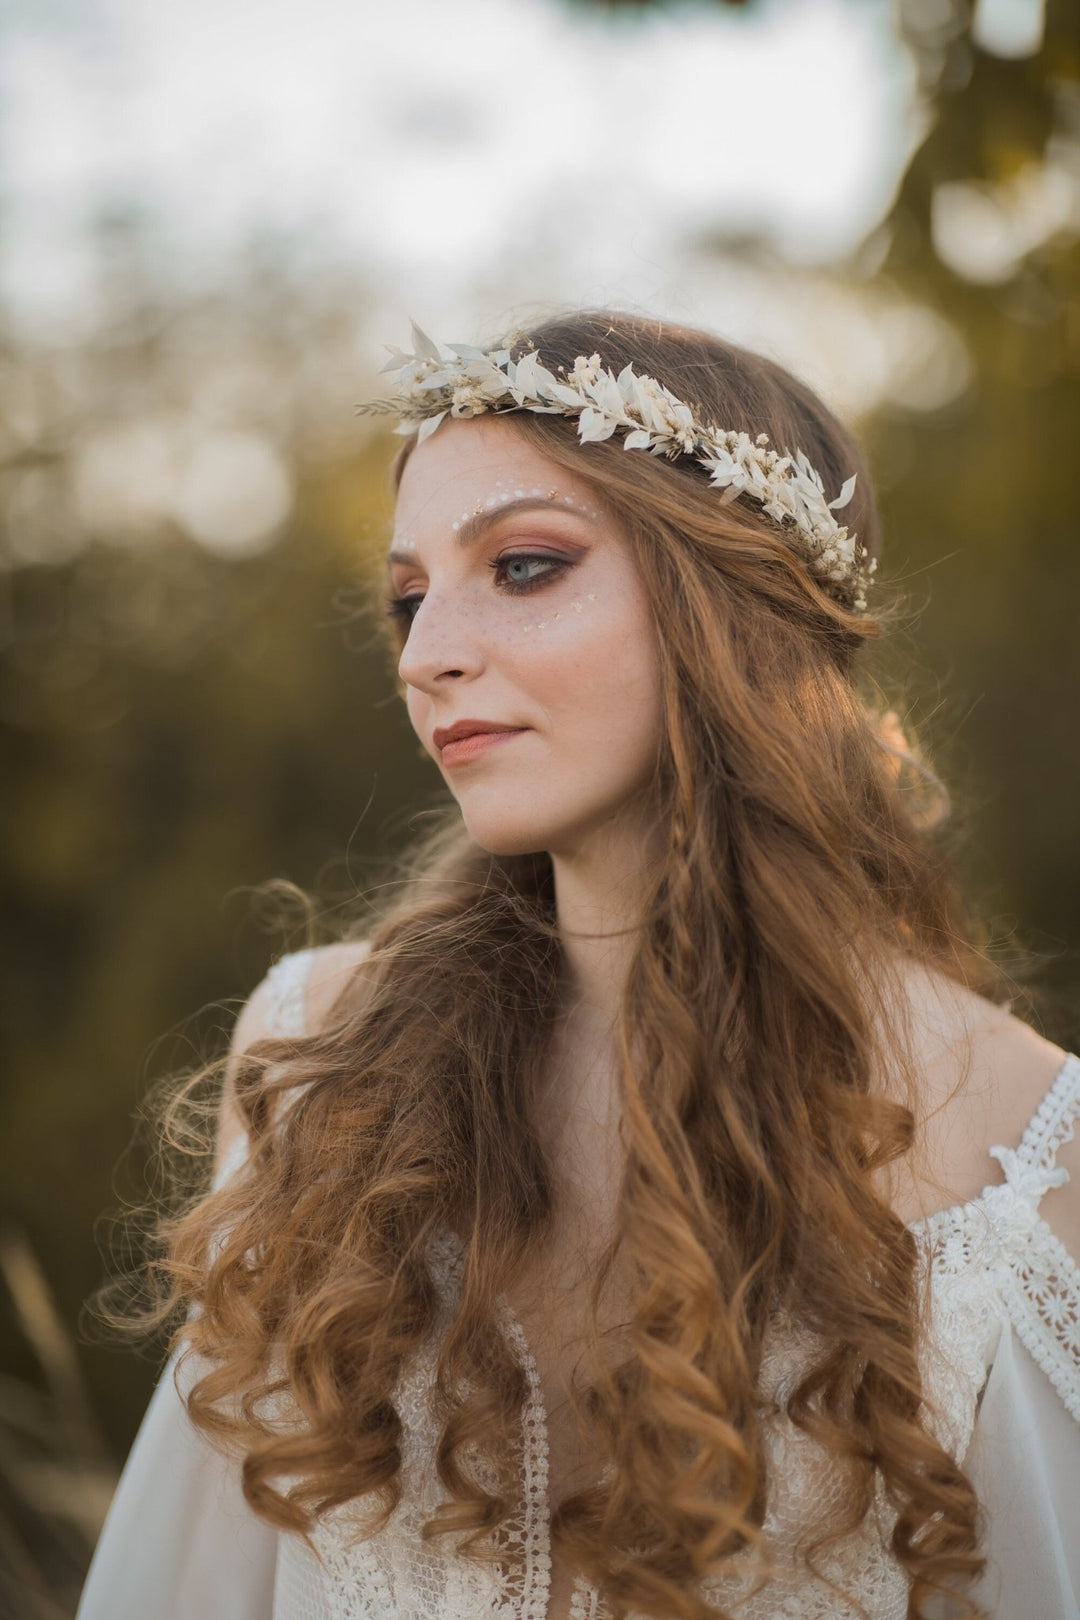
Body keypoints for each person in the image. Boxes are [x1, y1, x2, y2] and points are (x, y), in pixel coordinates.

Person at [77, 310, 1080, 1620]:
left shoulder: (1036, 1157)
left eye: (526, 565)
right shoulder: (314, 1053)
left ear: (737, 605)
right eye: (406, 594)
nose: (427, 651)